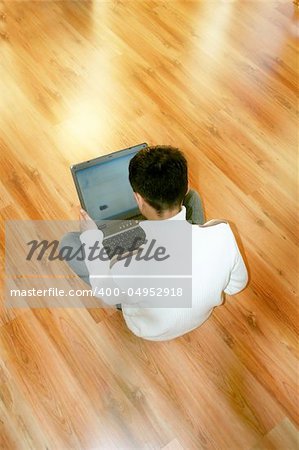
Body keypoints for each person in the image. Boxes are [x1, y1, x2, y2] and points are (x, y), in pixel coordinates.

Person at [61, 145, 248, 341]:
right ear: (185, 186)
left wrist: (91, 238)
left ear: (138, 200)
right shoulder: (223, 234)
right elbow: (236, 286)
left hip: (150, 329)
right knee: (195, 199)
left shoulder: (129, 269)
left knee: (69, 242)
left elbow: (105, 291)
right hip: (201, 315)